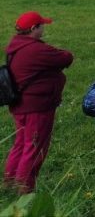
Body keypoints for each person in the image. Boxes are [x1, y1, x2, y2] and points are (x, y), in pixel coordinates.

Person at [4, 11, 74, 194]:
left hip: (20, 106)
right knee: (34, 147)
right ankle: (24, 190)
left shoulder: (16, 46)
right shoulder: (37, 50)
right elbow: (67, 57)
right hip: (37, 107)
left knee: (21, 144)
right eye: (42, 25)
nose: (44, 28)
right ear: (34, 28)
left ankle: (9, 183)